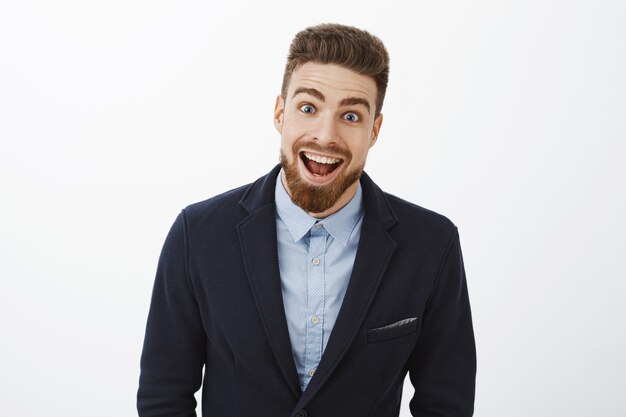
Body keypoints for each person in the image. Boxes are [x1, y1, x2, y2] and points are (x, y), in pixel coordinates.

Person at [137, 23, 476, 417]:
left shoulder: (432, 245)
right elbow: (164, 398)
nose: (325, 135)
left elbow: (446, 404)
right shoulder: (197, 234)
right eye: (309, 108)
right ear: (280, 113)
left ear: (374, 130)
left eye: (350, 115)